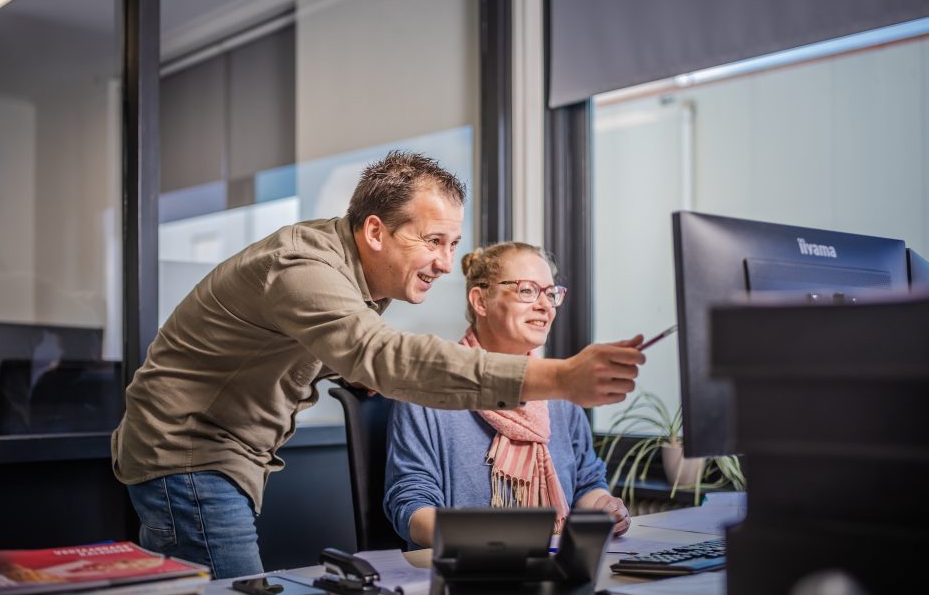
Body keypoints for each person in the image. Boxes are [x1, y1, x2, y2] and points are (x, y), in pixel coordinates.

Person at [111, 151, 645, 578]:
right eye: (433, 241)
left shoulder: (361, 279)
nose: (444, 262)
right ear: (374, 232)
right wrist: (560, 378)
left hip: (217, 456)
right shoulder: (305, 268)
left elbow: (336, 349)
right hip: (188, 453)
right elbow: (384, 354)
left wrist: (351, 373)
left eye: (452, 243)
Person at [384, 242, 631, 548]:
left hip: (554, 567)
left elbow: (587, 482)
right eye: (527, 291)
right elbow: (411, 507)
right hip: (468, 571)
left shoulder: (561, 390)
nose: (545, 305)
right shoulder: (426, 390)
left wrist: (604, 507)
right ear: (481, 301)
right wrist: (491, 540)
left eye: (551, 293)